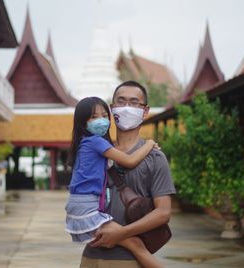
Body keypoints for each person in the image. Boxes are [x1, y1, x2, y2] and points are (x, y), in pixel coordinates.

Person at [80, 81, 176, 268]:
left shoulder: (155, 158)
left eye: (134, 103)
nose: (126, 108)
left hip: (128, 260)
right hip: (90, 257)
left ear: (145, 111)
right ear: (112, 108)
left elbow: (163, 213)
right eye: (121, 102)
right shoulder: (95, 153)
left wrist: (121, 234)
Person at [65, 96, 163, 268]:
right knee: (136, 244)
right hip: (86, 208)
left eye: (104, 116)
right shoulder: (95, 142)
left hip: (79, 206)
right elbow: (129, 161)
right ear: (83, 123)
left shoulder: (84, 143)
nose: (101, 121)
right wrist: (149, 144)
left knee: (135, 245)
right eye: (94, 117)